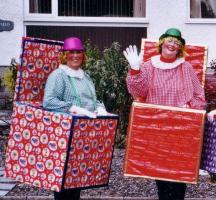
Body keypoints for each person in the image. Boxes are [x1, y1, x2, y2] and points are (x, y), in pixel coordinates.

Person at [124, 28, 206, 200]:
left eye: (177, 43)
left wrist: (189, 106)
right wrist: (135, 69)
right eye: (170, 40)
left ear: (180, 49)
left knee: (179, 178)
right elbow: (138, 92)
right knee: (160, 176)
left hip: (181, 131)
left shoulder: (186, 67)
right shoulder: (148, 66)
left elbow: (200, 96)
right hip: (156, 130)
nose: (173, 45)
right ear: (162, 43)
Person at [43, 37, 107, 200]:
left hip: (83, 134)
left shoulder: (85, 76)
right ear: (64, 55)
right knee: (64, 185)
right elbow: (49, 101)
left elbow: (92, 99)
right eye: (71, 52)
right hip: (65, 136)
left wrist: (100, 107)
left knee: (76, 181)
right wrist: (73, 108)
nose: (75, 55)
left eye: (79, 52)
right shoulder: (58, 75)